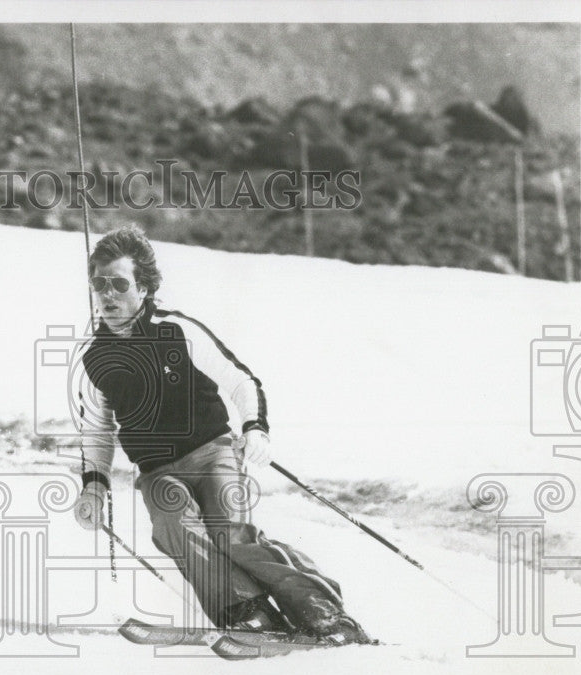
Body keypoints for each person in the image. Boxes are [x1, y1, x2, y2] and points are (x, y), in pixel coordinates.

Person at [73, 225, 370, 644]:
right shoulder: (95, 359)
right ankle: (247, 614)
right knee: (174, 525)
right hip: (158, 470)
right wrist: (93, 489)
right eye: (99, 284)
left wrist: (256, 428)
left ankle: (324, 612)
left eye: (119, 283)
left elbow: (239, 379)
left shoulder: (176, 331)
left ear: (143, 288)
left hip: (212, 453)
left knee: (230, 535)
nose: (107, 294)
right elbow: (97, 432)